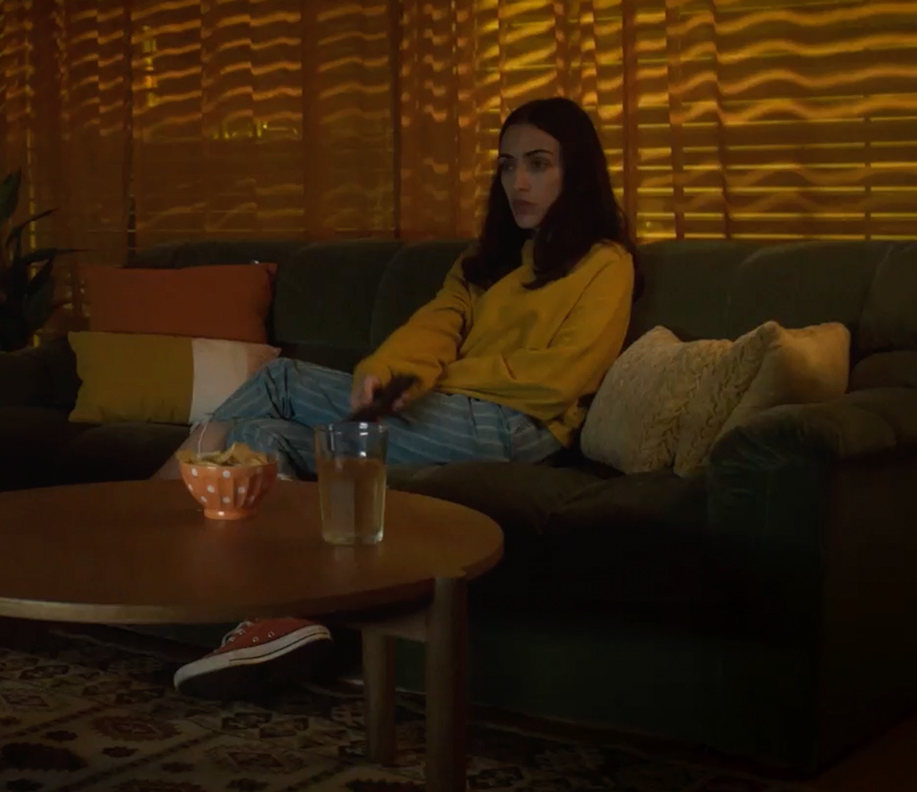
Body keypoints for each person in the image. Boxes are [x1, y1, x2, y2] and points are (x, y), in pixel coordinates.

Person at [161, 96, 641, 700]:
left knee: (280, 382)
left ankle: (155, 522)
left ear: (577, 171)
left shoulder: (604, 263)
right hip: (459, 413)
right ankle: (283, 615)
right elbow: (433, 329)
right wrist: (387, 371)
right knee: (261, 438)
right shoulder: (484, 264)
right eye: (507, 165)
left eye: (539, 164)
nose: (518, 182)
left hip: (520, 427)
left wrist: (428, 384)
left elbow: (560, 377)